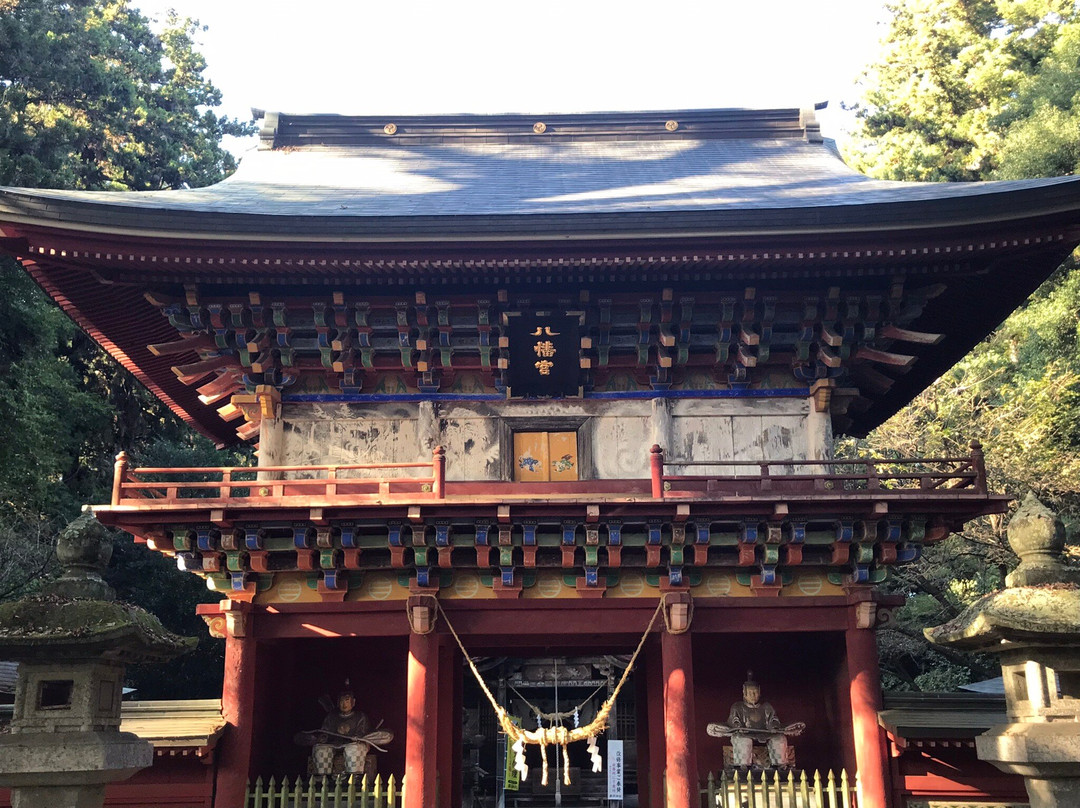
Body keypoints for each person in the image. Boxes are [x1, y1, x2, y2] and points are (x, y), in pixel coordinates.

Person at [706, 672, 802, 769]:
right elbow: (734, 721)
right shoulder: (737, 707)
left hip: (765, 733)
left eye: (755, 692)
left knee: (780, 738)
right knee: (742, 739)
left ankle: (780, 765)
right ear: (744, 693)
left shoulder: (766, 707)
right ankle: (743, 766)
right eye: (750, 692)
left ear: (759, 692)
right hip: (745, 733)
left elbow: (773, 719)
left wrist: (774, 727)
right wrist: (738, 727)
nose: (753, 695)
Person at [312, 684, 372, 776]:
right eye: (341, 701)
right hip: (334, 744)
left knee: (354, 749)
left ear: (353, 702)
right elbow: (325, 732)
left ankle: (354, 776)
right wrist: (322, 738)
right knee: (319, 748)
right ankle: (323, 777)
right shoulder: (332, 716)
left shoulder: (360, 716)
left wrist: (357, 737)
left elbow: (363, 733)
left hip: (353, 744)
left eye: (347, 701)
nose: (344, 704)